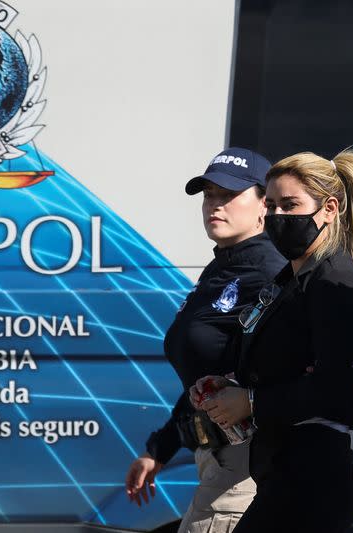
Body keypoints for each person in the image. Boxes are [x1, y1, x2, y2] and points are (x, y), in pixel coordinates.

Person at [193, 150, 353, 532]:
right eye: (271, 205)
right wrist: (228, 386)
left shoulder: (334, 280)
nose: (276, 217)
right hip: (279, 471)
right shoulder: (288, 280)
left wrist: (251, 402)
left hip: (312, 477)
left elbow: (336, 386)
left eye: (290, 205)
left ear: (329, 209)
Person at [124, 147, 286, 533]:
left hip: (245, 463)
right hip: (216, 456)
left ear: (265, 203)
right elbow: (207, 373)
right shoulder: (222, 266)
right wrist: (160, 449)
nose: (215, 205)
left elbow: (281, 371)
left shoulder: (270, 272)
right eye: (209, 194)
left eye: (229, 195)